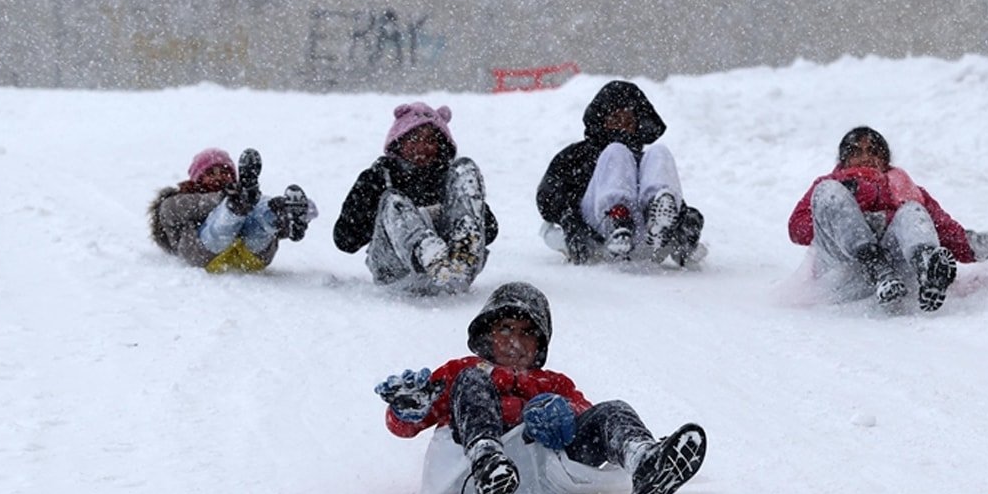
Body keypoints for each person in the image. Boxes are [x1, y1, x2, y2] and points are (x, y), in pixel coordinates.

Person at [373, 281, 707, 494]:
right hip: (468, 472)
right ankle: (489, 462)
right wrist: (407, 409)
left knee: (612, 411)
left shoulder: (555, 383)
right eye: (505, 328)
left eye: (526, 332)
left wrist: (563, 415)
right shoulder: (465, 369)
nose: (514, 341)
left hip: (541, 473)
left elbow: (584, 415)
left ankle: (645, 463)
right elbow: (407, 426)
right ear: (487, 334)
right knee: (473, 383)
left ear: (540, 343)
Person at [787, 126, 988, 311]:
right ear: (844, 160)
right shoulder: (831, 185)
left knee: (912, 209)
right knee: (828, 193)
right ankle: (875, 266)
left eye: (873, 151)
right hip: (843, 270)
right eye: (856, 152)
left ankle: (926, 269)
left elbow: (940, 226)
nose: (865, 157)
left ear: (885, 159)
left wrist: (975, 244)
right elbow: (797, 230)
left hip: (896, 275)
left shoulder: (905, 187)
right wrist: (850, 210)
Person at [333, 102, 498, 295]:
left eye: (430, 140)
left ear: (441, 146)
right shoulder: (378, 177)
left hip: (456, 270)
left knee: (465, 169)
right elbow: (345, 240)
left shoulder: (449, 180)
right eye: (413, 139)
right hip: (397, 274)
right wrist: (371, 204)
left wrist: (455, 214)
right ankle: (427, 252)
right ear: (398, 142)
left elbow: (491, 230)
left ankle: (462, 251)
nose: (421, 147)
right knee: (394, 202)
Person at [536, 80, 706, 267]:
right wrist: (570, 219)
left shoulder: (645, 160)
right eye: (615, 120)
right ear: (601, 121)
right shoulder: (579, 155)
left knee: (660, 152)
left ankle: (659, 226)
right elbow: (548, 197)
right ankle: (617, 220)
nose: (622, 127)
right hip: (597, 232)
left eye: (629, 121)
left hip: (646, 237)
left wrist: (685, 218)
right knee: (616, 151)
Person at [148, 147, 316, 273]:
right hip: (207, 254)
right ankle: (234, 209)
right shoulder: (184, 199)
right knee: (222, 221)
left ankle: (282, 214)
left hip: (252, 255)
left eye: (225, 171)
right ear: (197, 178)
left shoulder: (245, 197)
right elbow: (171, 210)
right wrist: (222, 198)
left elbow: (274, 229)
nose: (219, 176)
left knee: (259, 218)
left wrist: (285, 225)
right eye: (211, 172)